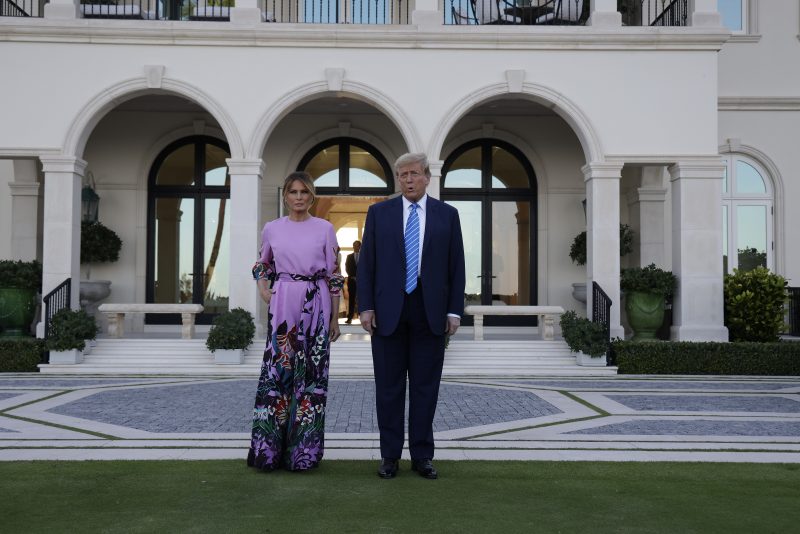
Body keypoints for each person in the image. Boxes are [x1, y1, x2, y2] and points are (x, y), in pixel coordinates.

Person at [357, 153, 466, 480]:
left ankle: (422, 456)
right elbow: (367, 265)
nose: (407, 180)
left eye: (414, 174)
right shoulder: (379, 213)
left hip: (430, 312)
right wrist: (365, 307)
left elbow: (456, 267)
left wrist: (453, 310)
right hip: (388, 312)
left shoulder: (448, 215)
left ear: (427, 177)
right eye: (402, 174)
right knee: (388, 389)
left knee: (425, 388)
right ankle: (389, 456)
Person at [247, 171, 344, 472]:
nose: (299, 197)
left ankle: (304, 454)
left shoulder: (325, 229)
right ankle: (268, 452)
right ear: (285, 196)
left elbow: (336, 274)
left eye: (304, 192)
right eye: (293, 192)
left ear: (311, 195)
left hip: (316, 304)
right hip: (283, 304)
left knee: (312, 380)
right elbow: (261, 265)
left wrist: (335, 317)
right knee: (278, 377)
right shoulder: (272, 229)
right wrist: (265, 290)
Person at [344, 240, 361, 324]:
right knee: (351, 299)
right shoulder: (349, 256)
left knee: (362, 298)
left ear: (360, 247)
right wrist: (352, 276)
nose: (355, 247)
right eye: (354, 245)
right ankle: (350, 317)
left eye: (357, 246)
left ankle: (362, 317)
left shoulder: (364, 256)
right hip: (351, 280)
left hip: (362, 281)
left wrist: (360, 277)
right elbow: (347, 268)